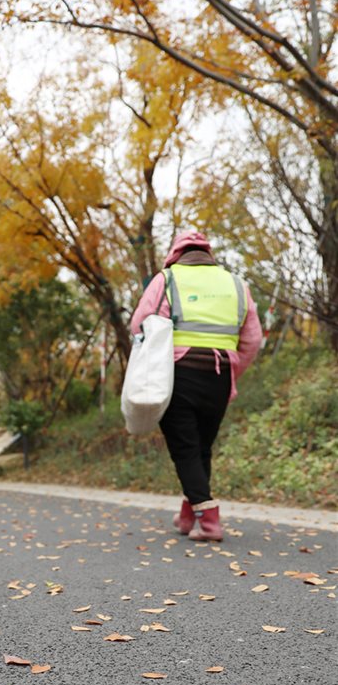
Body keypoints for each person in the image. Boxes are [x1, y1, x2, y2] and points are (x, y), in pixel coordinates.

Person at [130, 229, 263, 541]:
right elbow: (253, 339)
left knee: (186, 448)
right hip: (220, 375)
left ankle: (210, 520)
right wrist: (233, 370)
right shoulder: (236, 284)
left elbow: (140, 324)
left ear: (176, 254)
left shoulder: (168, 279)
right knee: (201, 446)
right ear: (208, 252)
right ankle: (189, 515)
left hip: (178, 374)